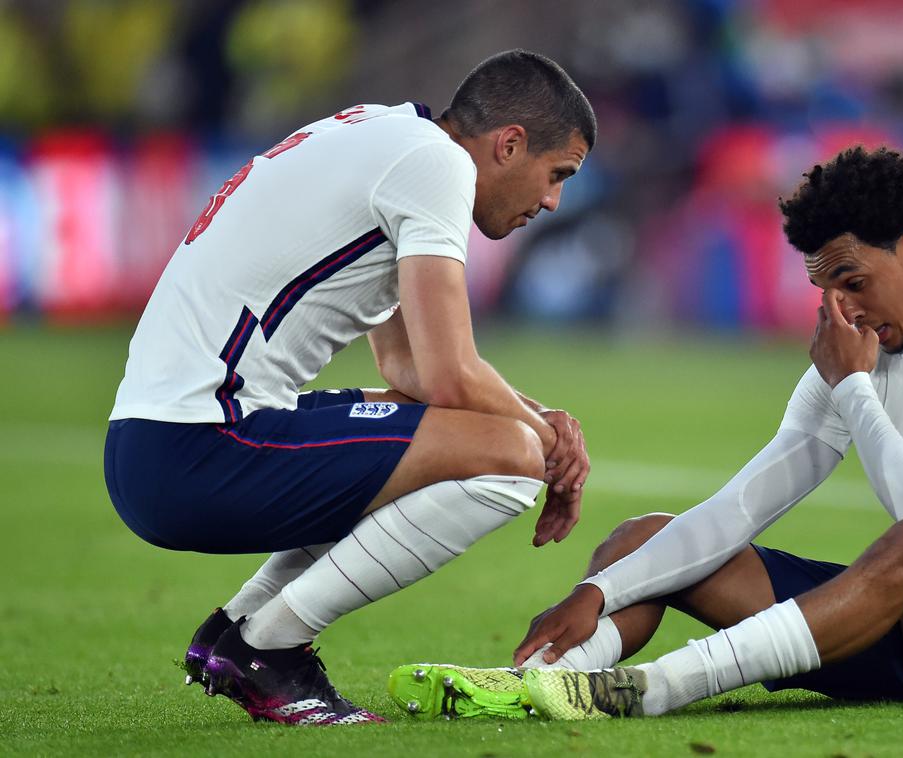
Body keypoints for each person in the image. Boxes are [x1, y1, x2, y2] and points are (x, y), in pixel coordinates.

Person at [388, 146, 903, 720]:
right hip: (899, 632)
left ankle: (654, 689)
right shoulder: (856, 348)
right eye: (825, 290)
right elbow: (741, 508)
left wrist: (854, 386)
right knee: (640, 540)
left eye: (854, 281)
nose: (842, 311)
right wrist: (602, 593)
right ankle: (542, 681)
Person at [103, 49, 596, 726]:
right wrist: (553, 451)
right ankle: (270, 649)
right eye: (556, 175)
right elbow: (452, 372)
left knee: (443, 426)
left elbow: (410, 371)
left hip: (156, 441)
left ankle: (236, 631)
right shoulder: (438, 165)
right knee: (512, 460)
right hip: (199, 445)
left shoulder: (385, 134)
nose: (552, 200)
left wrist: (544, 420)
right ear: (509, 144)